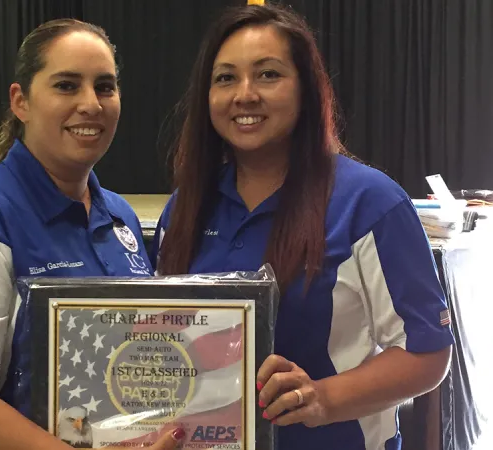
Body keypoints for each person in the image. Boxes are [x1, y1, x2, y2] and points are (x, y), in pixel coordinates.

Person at [152, 4, 454, 450]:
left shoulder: (369, 203)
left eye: (268, 74)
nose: (245, 94)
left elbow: (426, 352)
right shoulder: (185, 208)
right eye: (226, 78)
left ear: (306, 89)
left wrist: (323, 399)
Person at [0, 19, 183, 450]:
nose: (91, 104)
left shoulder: (119, 216)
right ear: (21, 101)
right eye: (66, 85)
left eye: (105, 87)